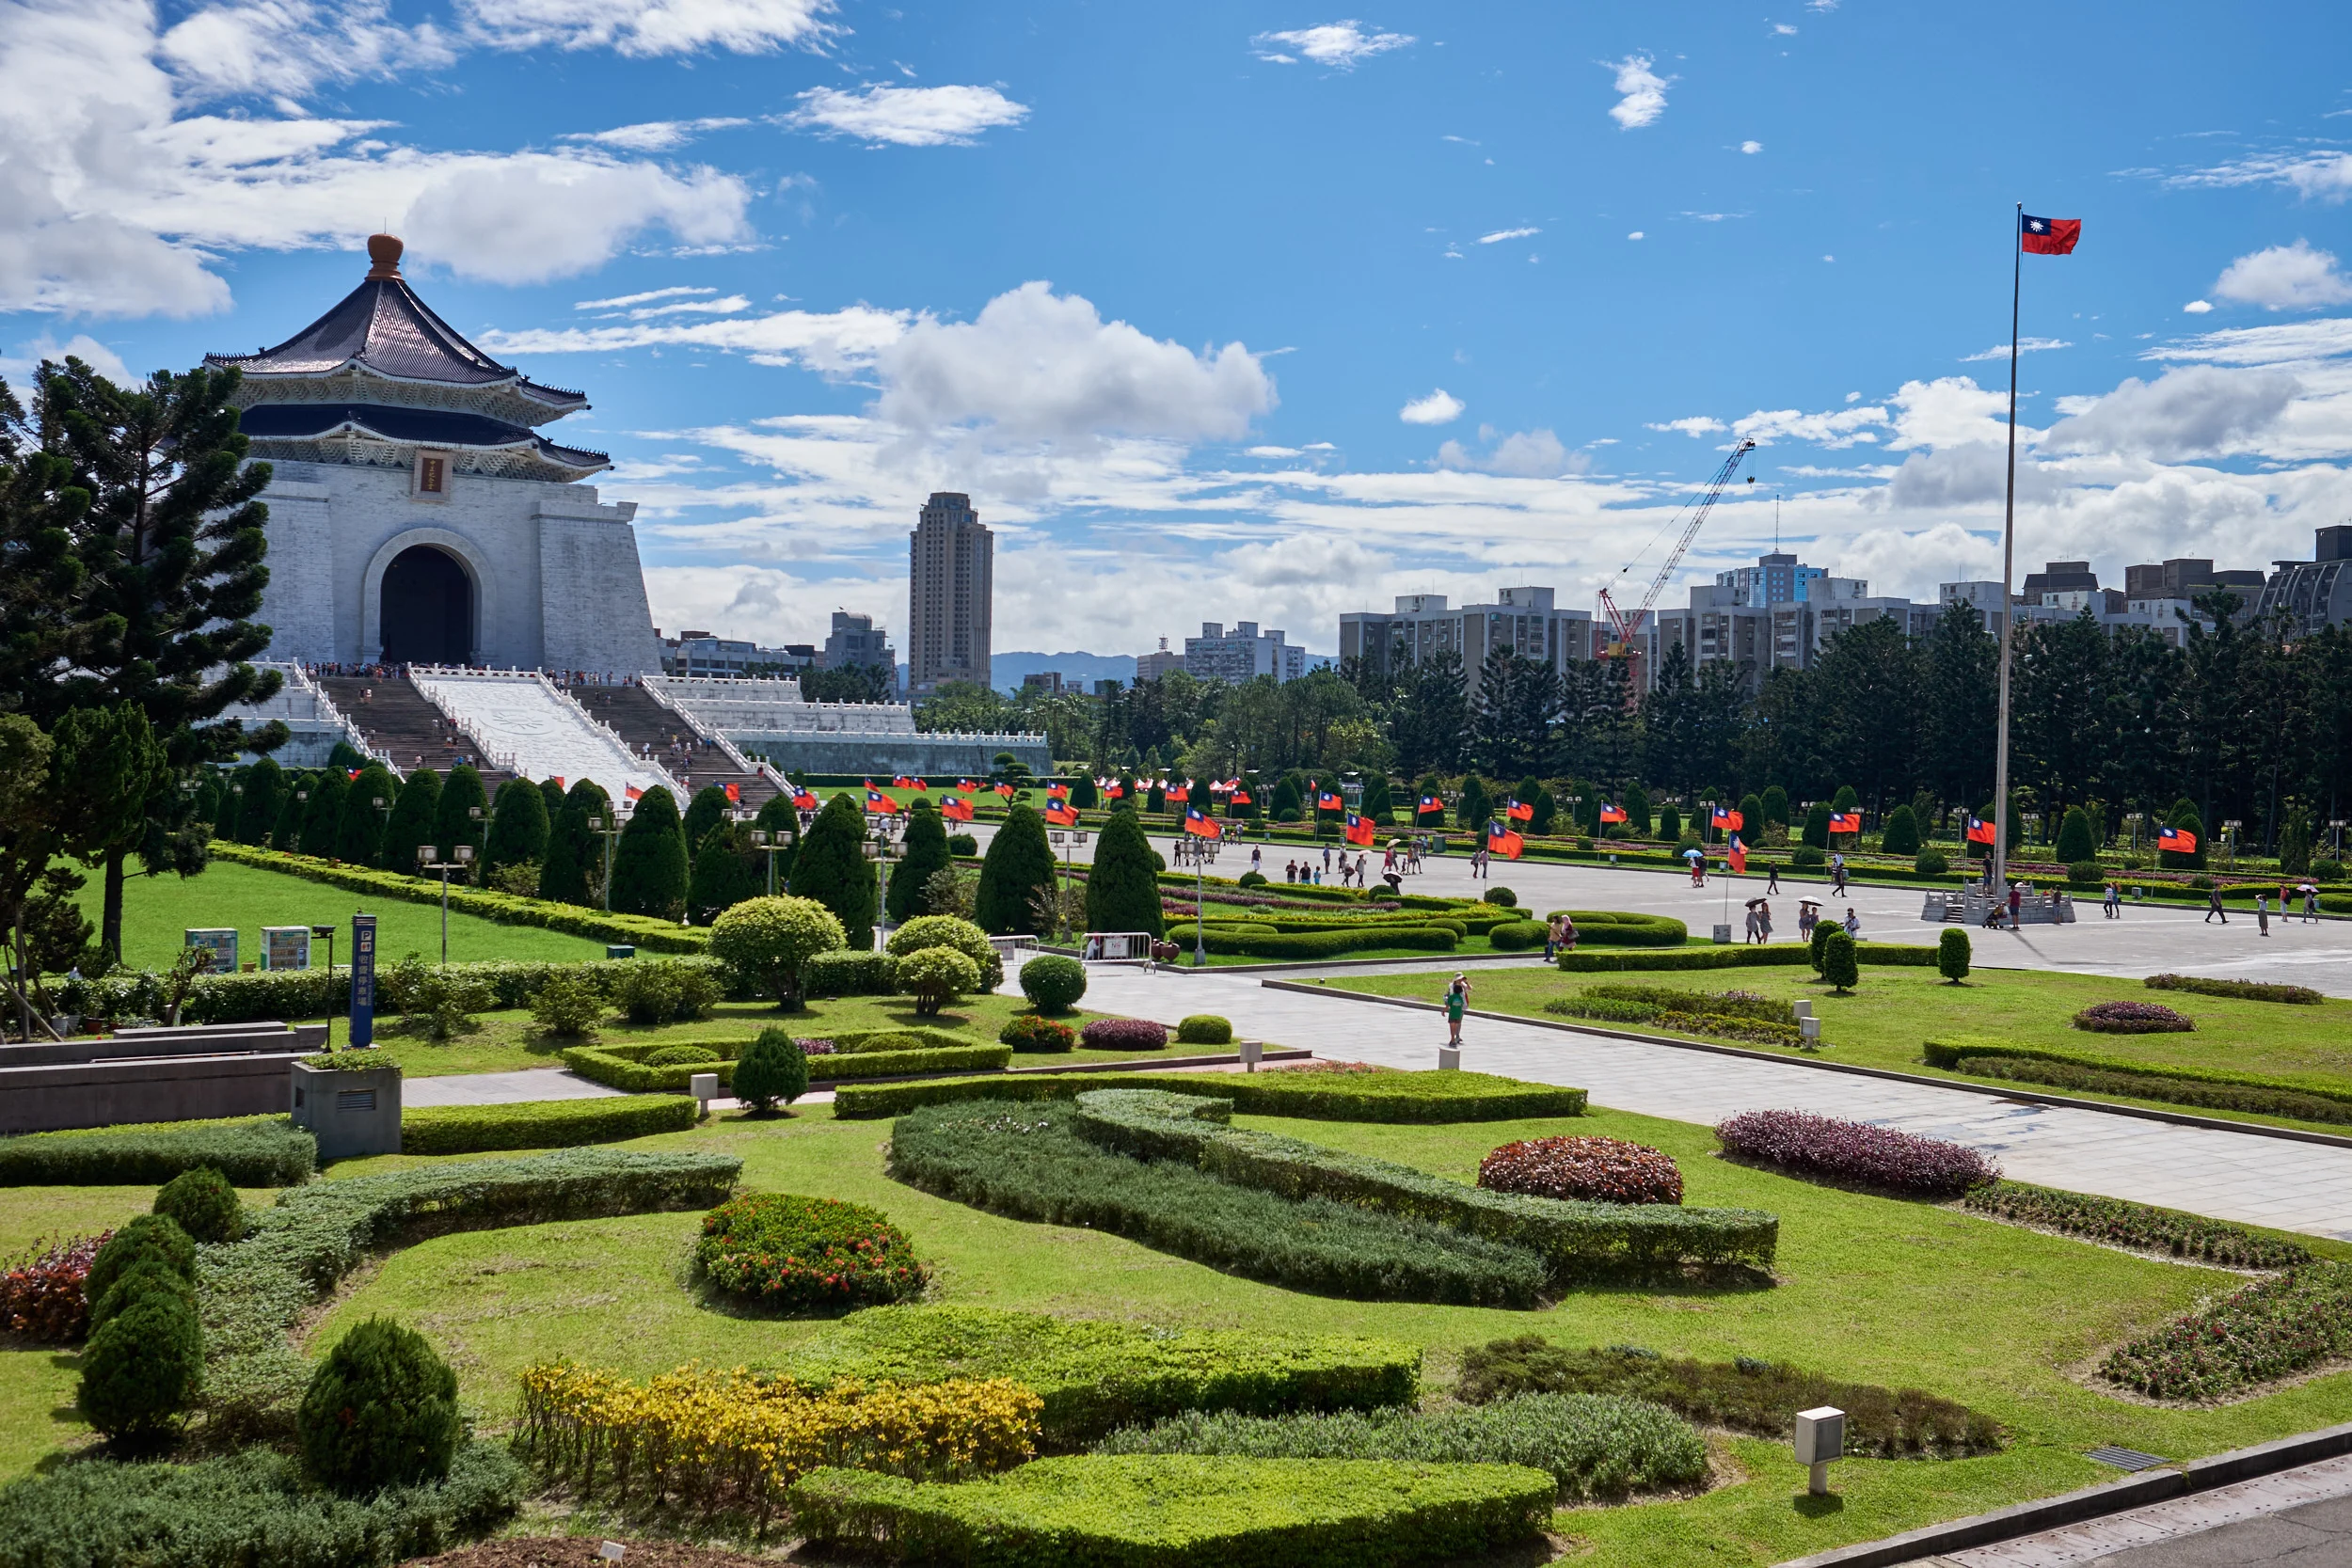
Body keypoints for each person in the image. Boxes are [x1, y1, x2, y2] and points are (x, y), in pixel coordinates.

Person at [1443, 973, 1470, 1050]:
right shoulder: (1451, 986)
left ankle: (1455, 1037)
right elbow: (1449, 994)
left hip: (1457, 1009)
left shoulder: (1463, 985)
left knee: (1455, 1024)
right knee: (1455, 1023)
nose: (1461, 980)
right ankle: (1454, 1038)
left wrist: (1466, 983)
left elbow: (1469, 988)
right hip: (1456, 1008)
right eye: (1460, 979)